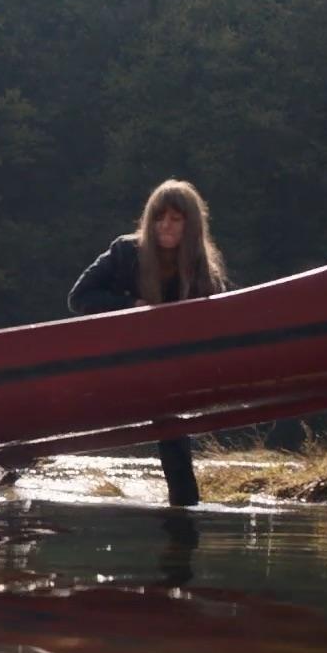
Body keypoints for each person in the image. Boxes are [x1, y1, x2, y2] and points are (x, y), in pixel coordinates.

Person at [67, 179, 231, 506]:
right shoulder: (124, 251)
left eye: (175, 219)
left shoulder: (201, 269)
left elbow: (213, 322)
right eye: (159, 217)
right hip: (115, 361)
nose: (165, 225)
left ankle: (183, 512)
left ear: (190, 225)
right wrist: (130, 306)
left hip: (167, 372)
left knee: (173, 431)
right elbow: (79, 297)